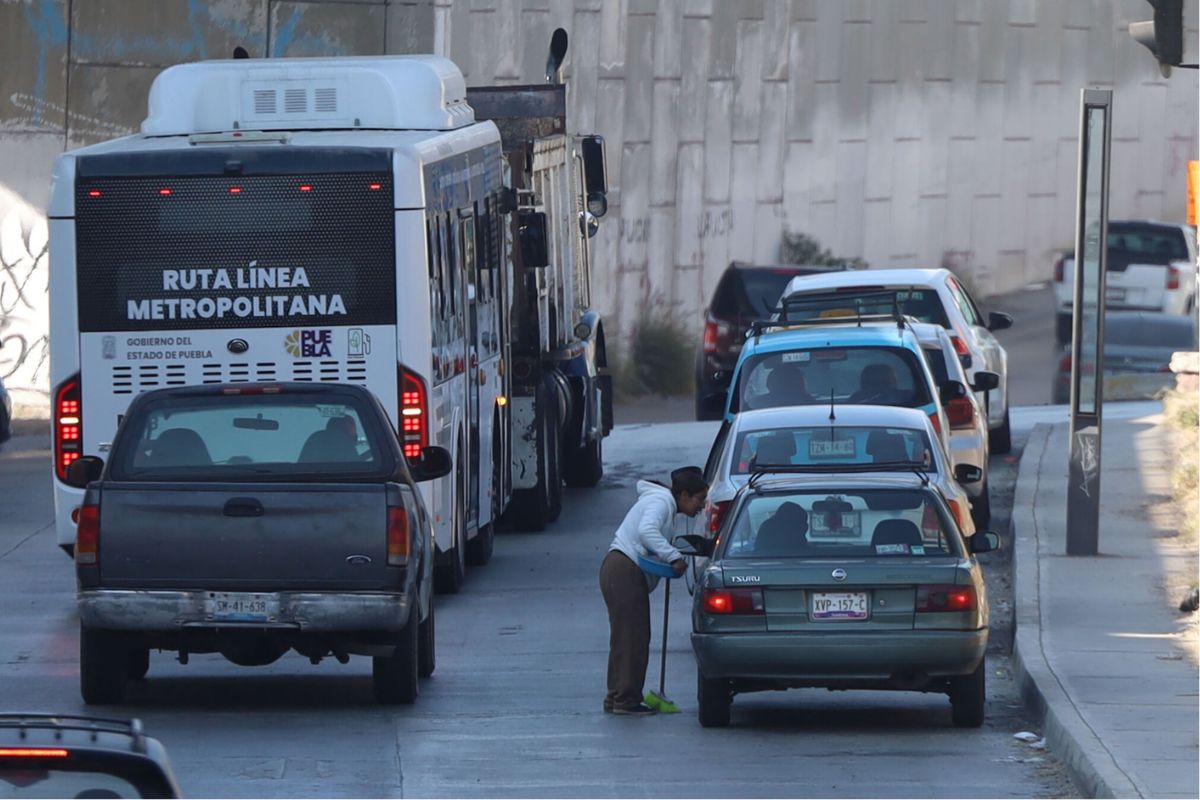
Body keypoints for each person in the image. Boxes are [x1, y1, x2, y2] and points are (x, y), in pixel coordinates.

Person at [600, 467, 708, 715]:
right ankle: (626, 700)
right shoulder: (660, 503)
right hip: (624, 570)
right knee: (633, 637)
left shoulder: (664, 505)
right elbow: (646, 532)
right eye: (699, 499)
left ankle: (615, 696)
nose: (701, 506)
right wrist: (674, 557)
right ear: (683, 495)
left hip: (619, 569)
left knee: (623, 636)